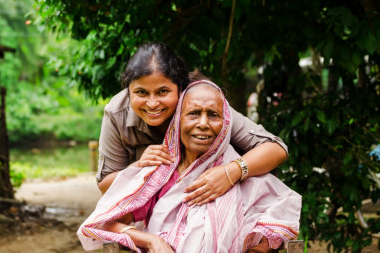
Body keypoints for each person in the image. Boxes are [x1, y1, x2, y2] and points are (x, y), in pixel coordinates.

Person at [78, 80, 301, 252]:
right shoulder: (158, 174)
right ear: (178, 122)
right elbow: (107, 223)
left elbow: (274, 223)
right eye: (194, 114)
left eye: (213, 115)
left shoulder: (243, 175)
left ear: (225, 124)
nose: (203, 124)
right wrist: (152, 241)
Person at [96, 42, 289, 207]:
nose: (152, 103)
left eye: (163, 92)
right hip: (153, 213)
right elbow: (105, 185)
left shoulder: (202, 100)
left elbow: (276, 149)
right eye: (141, 93)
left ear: (181, 89)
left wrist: (230, 172)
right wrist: (139, 168)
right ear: (128, 90)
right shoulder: (116, 113)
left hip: (221, 202)